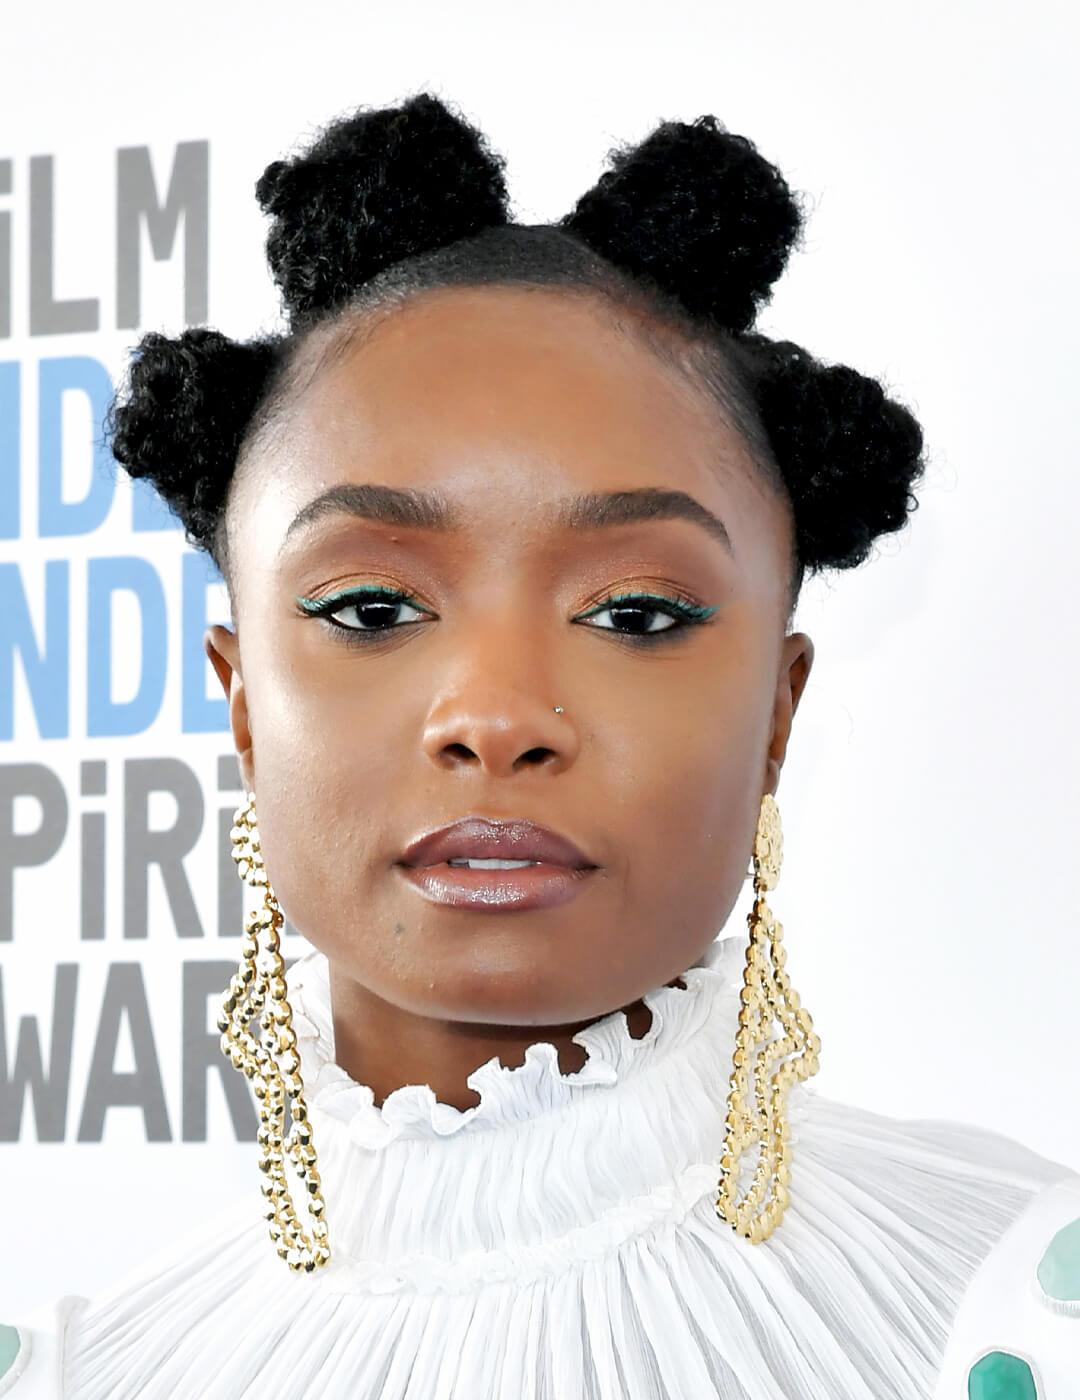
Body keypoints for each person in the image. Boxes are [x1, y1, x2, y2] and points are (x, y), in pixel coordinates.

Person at [4, 92, 1077, 1400]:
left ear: (778, 712)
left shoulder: (1019, 1319)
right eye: (372, 608)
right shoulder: (79, 1375)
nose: (497, 717)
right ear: (240, 704)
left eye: (633, 613)